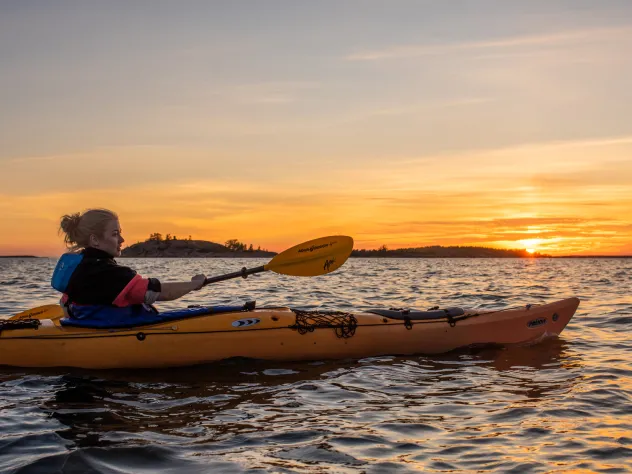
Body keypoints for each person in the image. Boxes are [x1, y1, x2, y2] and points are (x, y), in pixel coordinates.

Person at [54, 208, 206, 323]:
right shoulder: (111, 274)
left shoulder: (78, 269)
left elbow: (65, 304)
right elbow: (159, 292)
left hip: (91, 326)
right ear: (95, 240)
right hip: (119, 332)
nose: (121, 239)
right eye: (115, 234)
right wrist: (193, 284)